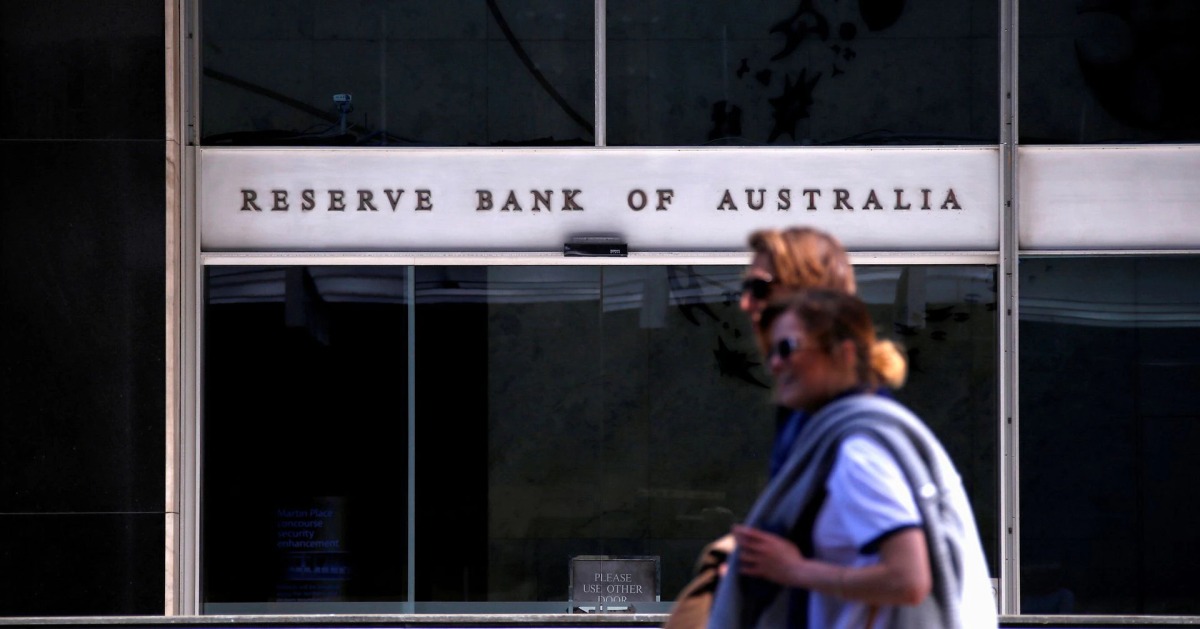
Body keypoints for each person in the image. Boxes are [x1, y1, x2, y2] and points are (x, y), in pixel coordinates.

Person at [707, 289, 997, 628]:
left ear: (843, 354)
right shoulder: (870, 432)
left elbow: (909, 579)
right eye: (770, 351)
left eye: (787, 348)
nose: (775, 363)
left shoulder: (858, 453)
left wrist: (794, 570)